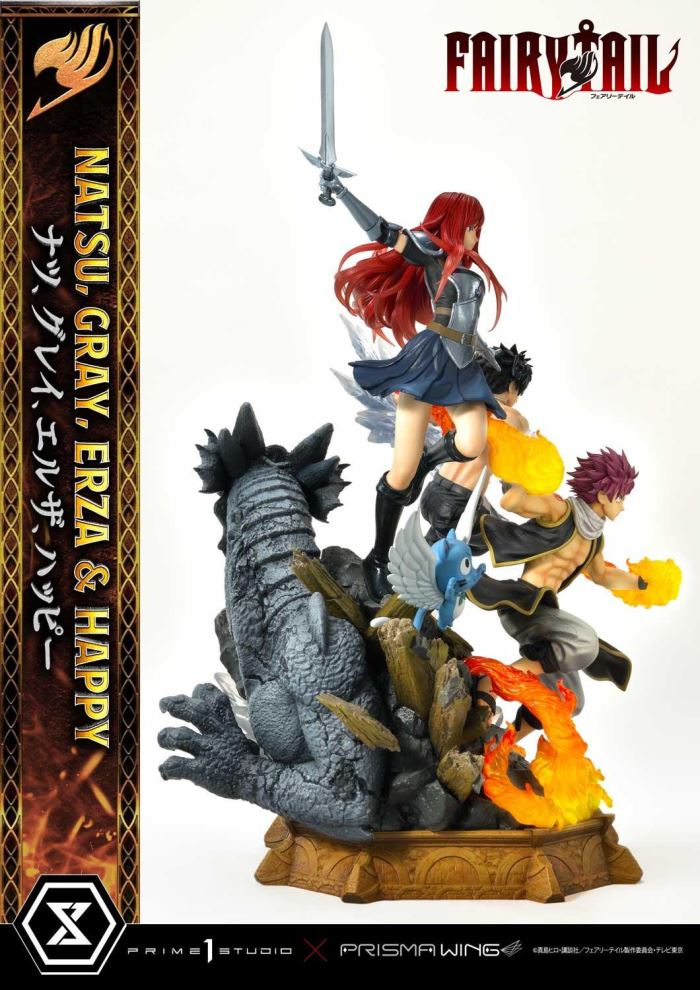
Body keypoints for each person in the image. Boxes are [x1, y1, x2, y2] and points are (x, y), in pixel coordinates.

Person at [322, 179, 508, 601]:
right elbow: (387, 233)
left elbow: (468, 325)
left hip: (463, 365)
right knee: (401, 475)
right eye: (472, 226)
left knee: (472, 441)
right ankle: (378, 557)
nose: (476, 235)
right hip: (428, 360)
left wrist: (489, 356)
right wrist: (343, 192)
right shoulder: (432, 256)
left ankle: (428, 461)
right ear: (455, 224)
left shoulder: (469, 273)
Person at [466, 448, 643, 738]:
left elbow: (603, 576)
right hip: (524, 605)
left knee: (568, 699)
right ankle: (490, 682)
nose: (622, 506)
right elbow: (512, 502)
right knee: (584, 643)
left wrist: (640, 583)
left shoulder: (594, 539)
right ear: (602, 495)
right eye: (620, 497)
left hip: (546, 617)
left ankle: (502, 743)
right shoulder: (561, 511)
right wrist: (522, 472)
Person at [420, 343, 533, 547]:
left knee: (437, 542)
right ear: (511, 387)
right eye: (518, 393)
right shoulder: (513, 418)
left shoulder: (463, 404)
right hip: (458, 505)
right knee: (507, 538)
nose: (516, 400)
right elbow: (520, 437)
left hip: (432, 493)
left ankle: (424, 553)